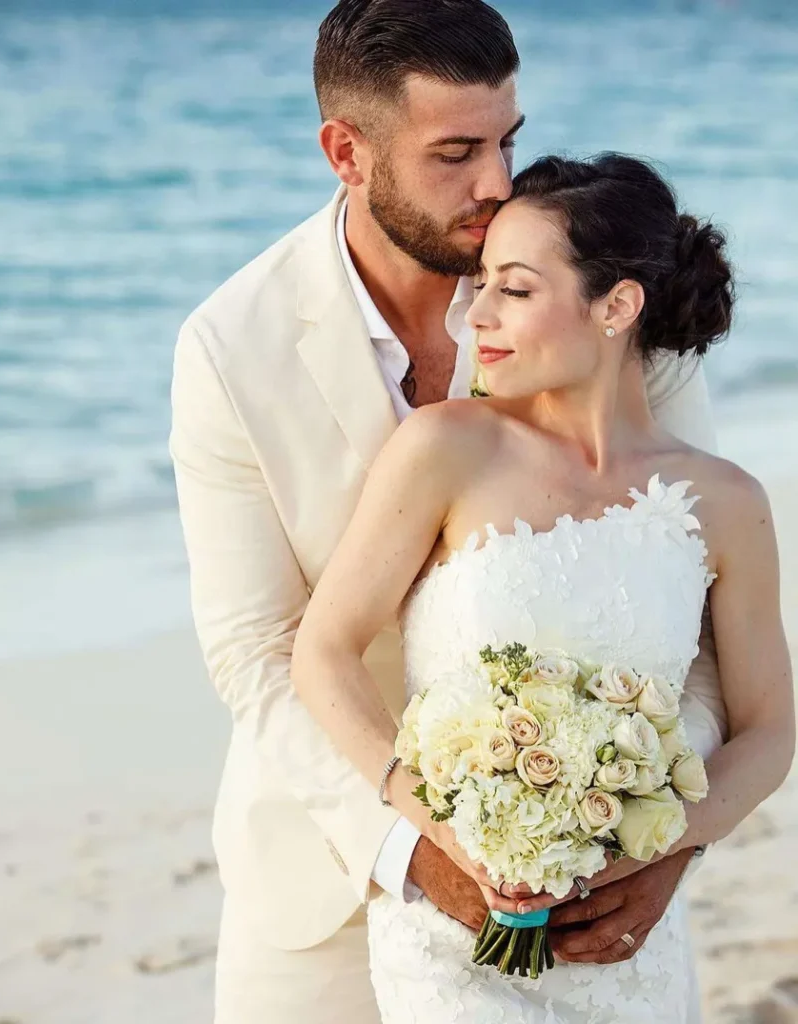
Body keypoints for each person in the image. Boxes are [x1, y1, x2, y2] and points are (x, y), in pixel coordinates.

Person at [169, 1, 727, 1020]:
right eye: (455, 152)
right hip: (322, 878)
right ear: (348, 151)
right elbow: (255, 650)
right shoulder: (229, 346)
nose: (495, 185)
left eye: (506, 140)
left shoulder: (590, 293)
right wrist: (417, 851)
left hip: (584, 880)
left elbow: (689, 609)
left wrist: (662, 837)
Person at [290, 152, 795, 1022]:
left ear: (617, 305)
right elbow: (322, 653)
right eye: (479, 284)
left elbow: (767, 731)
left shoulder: (724, 501)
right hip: (451, 944)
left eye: (513, 290)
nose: (475, 316)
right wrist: (440, 827)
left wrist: (653, 856)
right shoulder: (446, 448)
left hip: (626, 946)